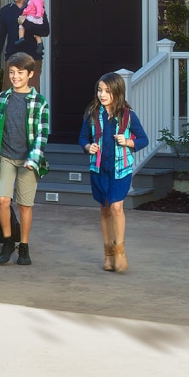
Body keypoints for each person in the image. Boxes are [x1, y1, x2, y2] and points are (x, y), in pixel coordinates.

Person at [0, 53, 48, 267]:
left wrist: (33, 159)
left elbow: (42, 136)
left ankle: (23, 246)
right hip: (5, 156)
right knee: (3, 200)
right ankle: (7, 241)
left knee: (25, 205)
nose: (15, 77)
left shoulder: (39, 102)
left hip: (28, 160)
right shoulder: (2, 98)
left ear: (30, 74)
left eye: (20, 73)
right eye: (12, 72)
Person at [78, 73, 151, 274]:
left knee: (117, 207)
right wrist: (87, 146)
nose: (102, 95)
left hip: (121, 170)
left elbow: (143, 139)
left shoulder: (127, 115)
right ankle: (108, 255)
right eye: (100, 90)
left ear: (117, 92)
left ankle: (120, 252)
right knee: (104, 209)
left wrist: (128, 142)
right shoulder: (93, 113)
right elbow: (82, 137)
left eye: (107, 91)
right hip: (99, 170)